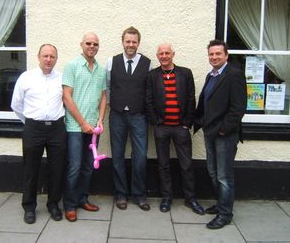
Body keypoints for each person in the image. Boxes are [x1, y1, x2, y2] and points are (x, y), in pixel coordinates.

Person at [145, 43, 204, 214]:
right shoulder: (152, 76)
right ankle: (166, 198)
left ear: (173, 54)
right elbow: (148, 101)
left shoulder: (185, 73)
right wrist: (156, 121)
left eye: (167, 53)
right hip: (161, 127)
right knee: (163, 165)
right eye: (161, 53)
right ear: (157, 56)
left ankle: (191, 199)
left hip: (181, 127)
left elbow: (191, 99)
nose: (164, 56)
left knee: (186, 165)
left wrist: (187, 123)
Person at [11, 44, 66, 224]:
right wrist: (29, 122)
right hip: (33, 128)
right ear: (38, 57)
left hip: (57, 128)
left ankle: (53, 204)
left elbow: (67, 101)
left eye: (52, 56)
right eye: (45, 56)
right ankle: (29, 207)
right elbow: (16, 105)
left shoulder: (62, 78)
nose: (48, 59)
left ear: (56, 59)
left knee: (56, 169)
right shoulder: (26, 78)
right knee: (30, 169)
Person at [194, 39, 247, 229]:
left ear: (226, 55)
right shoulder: (212, 75)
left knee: (224, 176)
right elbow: (207, 104)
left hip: (225, 135)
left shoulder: (234, 75)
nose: (214, 57)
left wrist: (224, 129)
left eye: (218, 54)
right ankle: (221, 204)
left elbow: (239, 108)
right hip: (210, 133)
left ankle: (225, 214)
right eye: (211, 54)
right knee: (213, 171)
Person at [106, 26, 152, 211]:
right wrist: (113, 104)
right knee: (117, 155)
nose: (131, 44)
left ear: (138, 43)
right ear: (122, 42)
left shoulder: (147, 63)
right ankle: (120, 194)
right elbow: (108, 87)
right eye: (128, 41)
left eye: (134, 41)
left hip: (139, 115)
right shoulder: (112, 61)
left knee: (140, 156)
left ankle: (139, 195)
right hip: (117, 115)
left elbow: (148, 89)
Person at [62, 32, 107, 222]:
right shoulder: (71, 66)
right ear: (81, 44)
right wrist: (82, 123)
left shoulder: (101, 69)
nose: (92, 46)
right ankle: (69, 205)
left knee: (88, 166)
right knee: (74, 166)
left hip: (94, 129)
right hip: (75, 127)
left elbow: (104, 95)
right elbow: (66, 97)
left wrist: (100, 119)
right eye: (88, 43)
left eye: (95, 44)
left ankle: (82, 199)